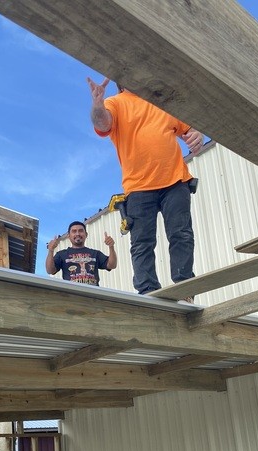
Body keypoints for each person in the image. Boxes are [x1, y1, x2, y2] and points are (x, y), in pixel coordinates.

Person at [87, 77, 203, 296]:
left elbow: (190, 130)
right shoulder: (116, 102)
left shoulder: (161, 101)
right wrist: (97, 103)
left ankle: (185, 288)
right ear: (121, 82)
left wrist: (197, 134)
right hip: (138, 187)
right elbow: (102, 123)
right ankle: (148, 292)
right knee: (142, 243)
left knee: (181, 235)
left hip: (175, 181)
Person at [46, 220, 117, 286]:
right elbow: (50, 270)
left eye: (80, 231)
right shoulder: (62, 254)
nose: (77, 234)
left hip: (93, 293)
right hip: (71, 293)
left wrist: (111, 246)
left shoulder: (95, 253)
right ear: (68, 236)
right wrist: (51, 250)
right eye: (74, 231)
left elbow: (112, 265)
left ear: (86, 234)